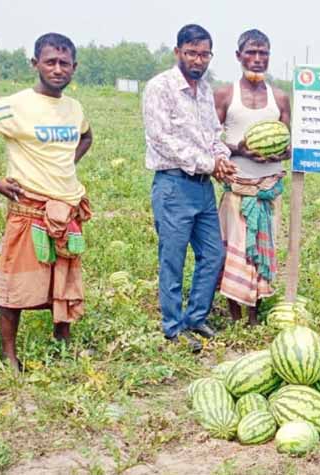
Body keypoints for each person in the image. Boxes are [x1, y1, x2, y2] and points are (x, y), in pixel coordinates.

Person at [0, 33, 93, 370]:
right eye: (50, 62)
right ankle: (9, 354)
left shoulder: (74, 108)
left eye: (64, 63)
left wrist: (64, 165)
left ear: (74, 67)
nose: (58, 69)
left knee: (63, 277)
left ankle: (62, 341)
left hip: (66, 209)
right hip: (29, 209)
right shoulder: (15, 105)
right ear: (35, 64)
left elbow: (87, 136)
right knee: (16, 284)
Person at [142, 24, 237, 353]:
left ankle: (196, 316)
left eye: (204, 54)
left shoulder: (205, 90)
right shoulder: (160, 87)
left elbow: (213, 135)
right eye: (192, 53)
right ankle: (173, 327)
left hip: (202, 187)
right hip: (173, 184)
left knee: (213, 254)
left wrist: (221, 159)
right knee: (173, 258)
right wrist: (210, 164)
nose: (198, 60)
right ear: (178, 52)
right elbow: (161, 139)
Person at [213, 29, 292, 326]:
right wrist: (240, 149)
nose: (257, 59)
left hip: (268, 191)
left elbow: (287, 145)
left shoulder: (279, 98)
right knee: (236, 253)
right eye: (251, 52)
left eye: (263, 53)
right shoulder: (225, 95)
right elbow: (210, 139)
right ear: (239, 56)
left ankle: (255, 315)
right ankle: (235, 315)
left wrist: (276, 154)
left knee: (260, 251)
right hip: (238, 190)